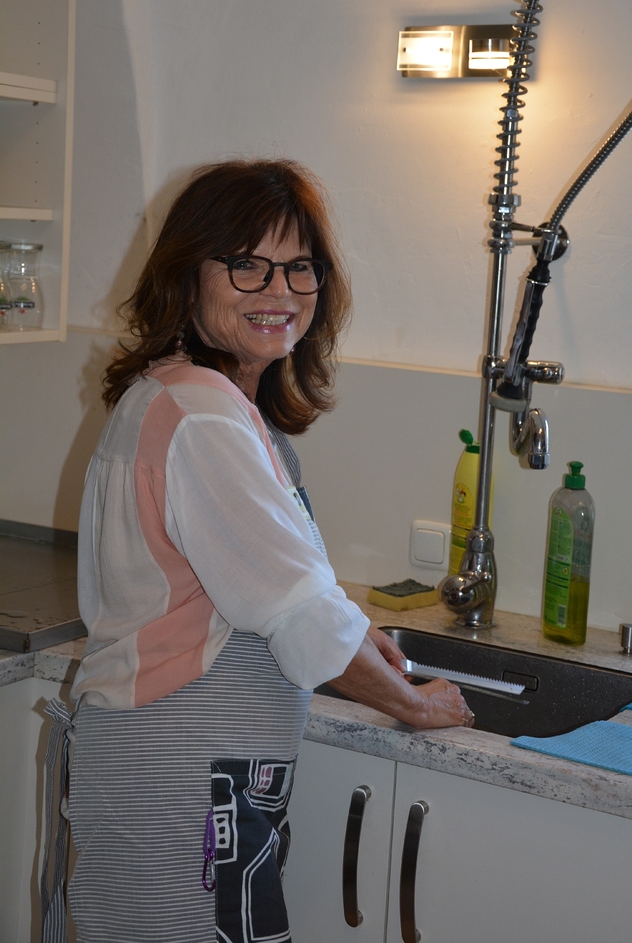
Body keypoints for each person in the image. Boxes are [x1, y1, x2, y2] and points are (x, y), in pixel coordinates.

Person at [66, 159, 473, 943]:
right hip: (182, 779)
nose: (278, 290)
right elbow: (295, 614)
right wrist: (415, 704)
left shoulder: (191, 398)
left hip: (190, 776)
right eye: (246, 265)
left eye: (298, 267)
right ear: (188, 274)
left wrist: (358, 631)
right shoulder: (202, 417)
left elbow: (269, 578)